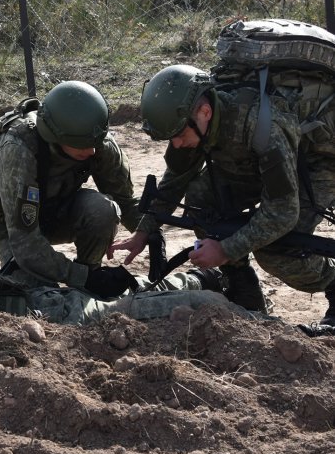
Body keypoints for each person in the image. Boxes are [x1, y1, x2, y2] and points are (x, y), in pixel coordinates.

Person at [110, 63, 335, 330]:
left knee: (279, 250)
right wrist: (142, 233)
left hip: (316, 161)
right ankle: (244, 293)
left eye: (180, 136)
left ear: (205, 112)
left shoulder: (261, 126)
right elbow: (176, 179)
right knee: (202, 199)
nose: (177, 144)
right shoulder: (190, 121)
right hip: (259, 161)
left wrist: (226, 249)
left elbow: (283, 211)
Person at [0, 80, 146, 299]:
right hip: (11, 227)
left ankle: (88, 278)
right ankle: (84, 279)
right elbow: (26, 243)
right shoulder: (18, 148)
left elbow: (126, 202)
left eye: (95, 143)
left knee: (103, 210)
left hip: (57, 210)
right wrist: (82, 277)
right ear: (55, 136)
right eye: (82, 145)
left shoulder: (94, 138)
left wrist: (149, 231)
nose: (91, 150)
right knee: (40, 294)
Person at [0, 248, 246, 325]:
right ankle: (203, 283)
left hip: (57, 310)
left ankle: (202, 281)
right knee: (134, 303)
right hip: (58, 312)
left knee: (132, 302)